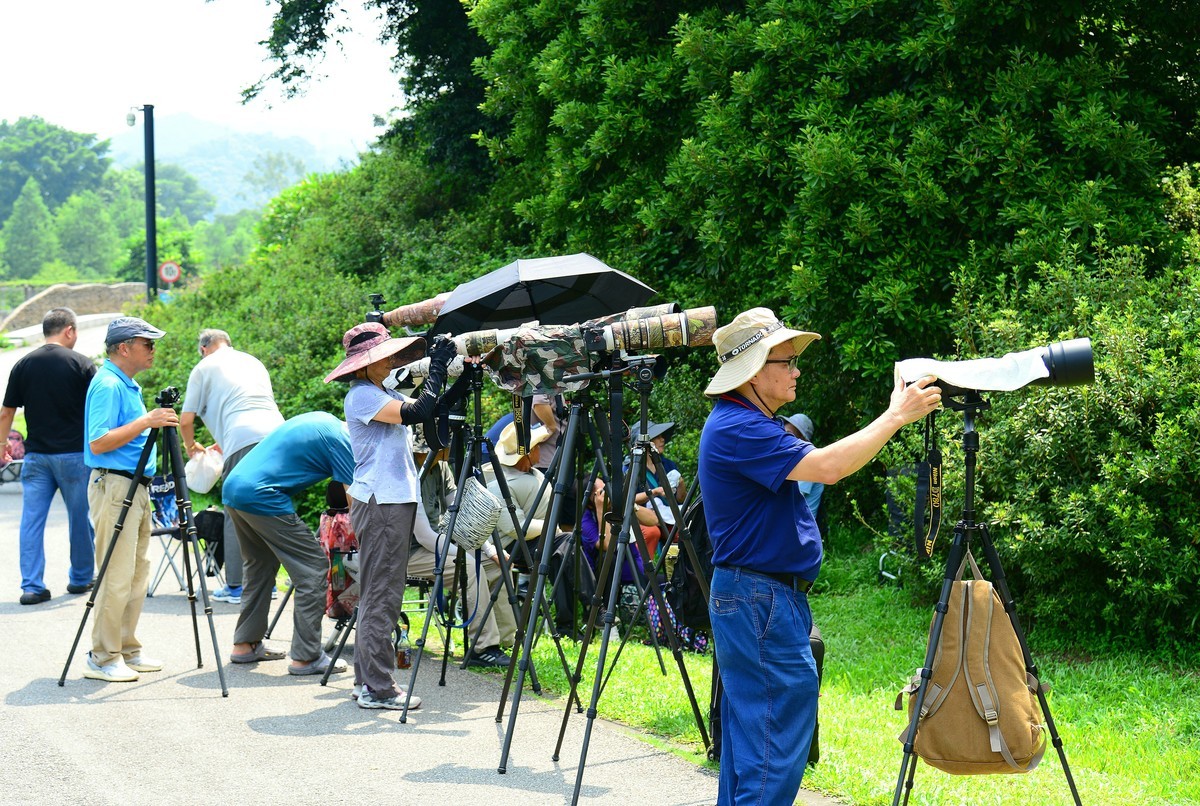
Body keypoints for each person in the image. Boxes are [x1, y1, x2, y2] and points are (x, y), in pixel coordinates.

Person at [698, 307, 940, 804]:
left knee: (753, 738)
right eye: (785, 361)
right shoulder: (739, 428)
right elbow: (828, 467)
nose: (796, 370)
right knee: (774, 738)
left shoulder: (749, 422)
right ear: (753, 370)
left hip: (757, 596)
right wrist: (897, 415)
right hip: (760, 598)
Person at [326, 322, 455, 709]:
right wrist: (437, 369)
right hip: (381, 503)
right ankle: (378, 688)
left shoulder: (380, 391)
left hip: (388, 501)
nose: (389, 360)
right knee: (383, 596)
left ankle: (366, 681)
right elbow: (419, 411)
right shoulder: (362, 396)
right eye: (381, 356)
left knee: (380, 594)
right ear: (363, 364)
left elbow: (434, 408)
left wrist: (461, 380)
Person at [222, 411, 356, 677]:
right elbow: (354, 500)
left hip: (234, 488)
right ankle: (306, 657)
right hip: (262, 496)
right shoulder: (345, 441)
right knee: (313, 567)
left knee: (260, 565)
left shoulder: (323, 420)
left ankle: (245, 644)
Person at [82, 316, 176, 682]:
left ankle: (126, 648)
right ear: (124, 347)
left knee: (136, 573)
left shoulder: (127, 383)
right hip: (115, 485)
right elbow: (98, 442)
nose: (153, 349)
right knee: (116, 573)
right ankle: (104, 657)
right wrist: (147, 422)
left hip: (134, 486)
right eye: (147, 343)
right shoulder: (107, 384)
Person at [0, 308, 97, 605]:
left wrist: (2, 442)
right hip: (74, 457)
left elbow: (7, 411)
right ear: (69, 330)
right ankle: (80, 579)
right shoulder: (82, 364)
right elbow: (98, 409)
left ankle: (32, 586)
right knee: (80, 518)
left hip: (36, 457)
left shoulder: (23, 364)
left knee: (31, 521)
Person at [181, 328, 284, 605]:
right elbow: (247, 406)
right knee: (269, 508)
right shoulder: (252, 361)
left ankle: (237, 585)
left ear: (203, 348)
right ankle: (269, 584)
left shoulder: (204, 367)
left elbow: (186, 420)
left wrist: (191, 448)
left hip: (242, 438)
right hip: (278, 437)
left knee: (235, 511)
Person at [409, 428, 510, 668]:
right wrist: (470, 553)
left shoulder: (441, 467)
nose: (449, 450)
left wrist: (489, 550)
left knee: (497, 566)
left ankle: (506, 639)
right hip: (408, 553)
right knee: (472, 568)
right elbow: (424, 536)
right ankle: (482, 647)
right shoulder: (408, 473)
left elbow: (461, 510)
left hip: (438, 545)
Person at [783, 412, 824, 520]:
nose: (782, 436)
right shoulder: (788, 459)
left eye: (788, 433)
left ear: (801, 440)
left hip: (800, 532)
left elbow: (789, 499)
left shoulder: (809, 460)